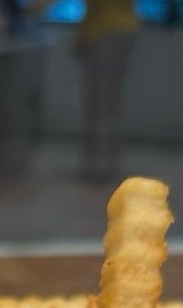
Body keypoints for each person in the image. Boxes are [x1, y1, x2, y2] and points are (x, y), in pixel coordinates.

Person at [73, 0, 140, 181]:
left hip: (105, 33)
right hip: (121, 29)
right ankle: (107, 164)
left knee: (100, 103)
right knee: (108, 102)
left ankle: (98, 167)